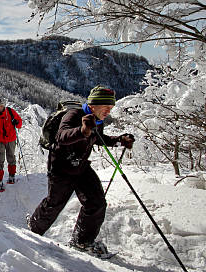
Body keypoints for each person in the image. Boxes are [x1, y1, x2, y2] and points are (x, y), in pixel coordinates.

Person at [27, 85, 134, 256]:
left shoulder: (97, 120)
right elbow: (62, 136)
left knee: (96, 202)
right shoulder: (74, 115)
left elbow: (97, 138)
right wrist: (82, 130)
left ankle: (81, 242)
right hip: (61, 168)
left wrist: (118, 140)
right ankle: (32, 230)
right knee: (54, 203)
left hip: (81, 167)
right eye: (106, 106)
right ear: (93, 104)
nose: (109, 111)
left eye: (111, 108)